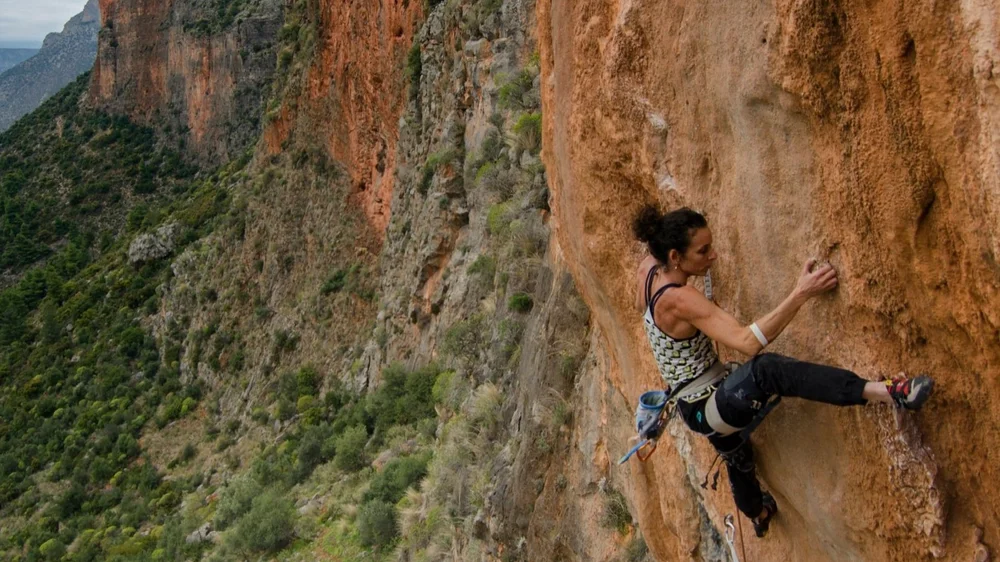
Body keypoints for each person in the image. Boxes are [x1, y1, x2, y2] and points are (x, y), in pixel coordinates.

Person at [632, 205, 934, 537]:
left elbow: (651, 306)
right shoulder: (679, 299)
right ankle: (883, 391)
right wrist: (801, 293)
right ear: (675, 256)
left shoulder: (648, 271)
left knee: (736, 451)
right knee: (766, 371)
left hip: (696, 401)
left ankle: (757, 513)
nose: (713, 256)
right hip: (705, 406)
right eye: (703, 251)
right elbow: (747, 343)